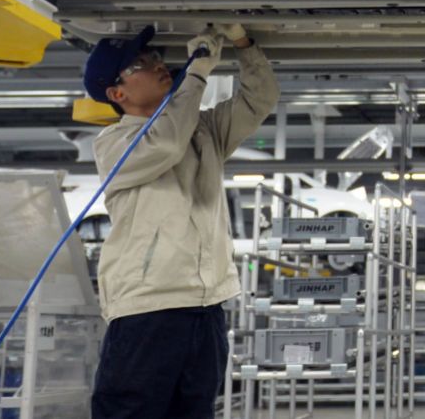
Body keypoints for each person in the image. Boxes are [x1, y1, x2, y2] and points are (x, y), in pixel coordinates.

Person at [82, 23, 278, 419]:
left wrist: (244, 45)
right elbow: (167, 143)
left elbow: (259, 101)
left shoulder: (202, 131)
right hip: (148, 306)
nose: (156, 64)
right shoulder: (113, 145)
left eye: (154, 56)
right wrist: (198, 73)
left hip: (205, 305)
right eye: (140, 63)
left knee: (194, 411)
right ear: (117, 94)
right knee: (130, 412)